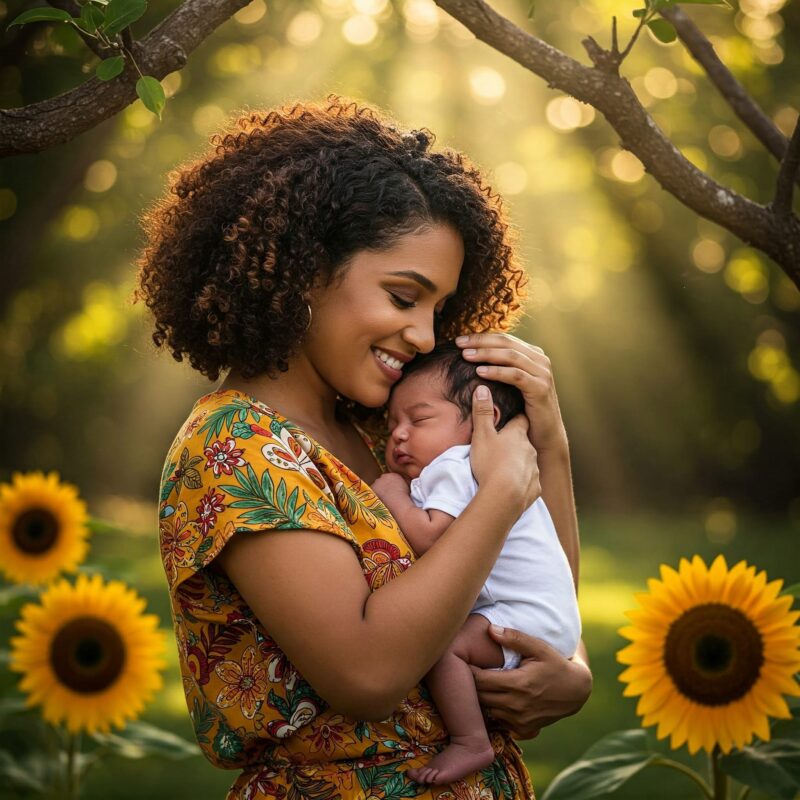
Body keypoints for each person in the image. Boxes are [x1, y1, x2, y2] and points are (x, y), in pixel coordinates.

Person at [137, 95, 591, 800]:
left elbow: (532, 576)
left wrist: (568, 663)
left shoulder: (394, 428)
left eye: (440, 309)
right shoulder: (236, 447)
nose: (424, 335)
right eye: (404, 297)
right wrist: (500, 493)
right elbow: (369, 675)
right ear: (305, 268)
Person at [371, 342, 582, 785]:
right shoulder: (464, 465)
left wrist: (390, 492)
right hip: (548, 617)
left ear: (484, 423)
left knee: (443, 648)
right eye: (392, 423)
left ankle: (471, 741)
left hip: (526, 619)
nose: (399, 434)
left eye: (420, 419)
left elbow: (431, 537)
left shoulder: (456, 464)